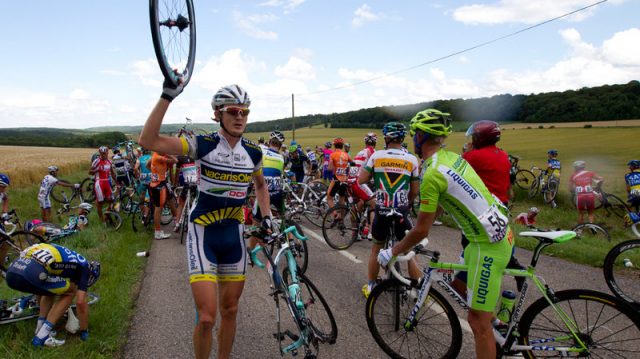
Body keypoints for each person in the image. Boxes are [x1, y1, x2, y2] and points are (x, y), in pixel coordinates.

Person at [138, 80, 272, 359]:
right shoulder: (203, 144)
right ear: (217, 114)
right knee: (208, 317)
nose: (239, 117)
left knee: (231, 310)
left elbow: (260, 185)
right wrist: (167, 96)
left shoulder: (254, 152)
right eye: (233, 111)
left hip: (233, 235)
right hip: (203, 234)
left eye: (244, 112)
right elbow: (148, 141)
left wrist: (266, 216)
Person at [377, 109, 513, 359]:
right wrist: (420, 227)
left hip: (487, 246)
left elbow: (421, 230)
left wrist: (393, 251)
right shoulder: (452, 158)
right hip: (485, 238)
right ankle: (500, 327)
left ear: (420, 136)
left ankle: (491, 329)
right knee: (458, 284)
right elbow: (441, 203)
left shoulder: (431, 174)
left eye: (414, 133)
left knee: (476, 323)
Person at [359, 122, 420, 298]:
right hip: (401, 210)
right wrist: (406, 203)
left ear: (386, 138)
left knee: (376, 249)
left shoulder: (377, 156)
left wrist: (374, 183)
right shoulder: (412, 159)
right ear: (402, 138)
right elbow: (415, 191)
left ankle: (371, 286)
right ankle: (416, 291)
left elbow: (361, 179)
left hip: (382, 210)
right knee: (409, 251)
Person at [5, 243, 100, 347]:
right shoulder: (84, 266)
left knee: (49, 289)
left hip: (12, 271)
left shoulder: (69, 257)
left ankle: (40, 327)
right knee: (70, 292)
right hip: (31, 271)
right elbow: (81, 302)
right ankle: (42, 336)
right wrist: (84, 330)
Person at [249, 131, 285, 252]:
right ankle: (289, 242)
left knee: (256, 223)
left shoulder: (261, 151)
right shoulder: (281, 158)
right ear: (280, 146)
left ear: (269, 142)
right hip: (278, 193)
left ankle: (251, 253)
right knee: (282, 217)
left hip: (264, 194)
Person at [147, 151, 178, 239]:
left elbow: (147, 165)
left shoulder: (155, 155)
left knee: (171, 200)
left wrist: (155, 173)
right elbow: (175, 160)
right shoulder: (158, 157)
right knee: (159, 208)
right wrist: (169, 154)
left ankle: (177, 221)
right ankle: (157, 232)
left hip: (163, 182)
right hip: (159, 185)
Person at [89, 146, 117, 224]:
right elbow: (90, 172)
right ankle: (102, 221)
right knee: (100, 203)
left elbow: (113, 173)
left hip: (107, 182)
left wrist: (117, 183)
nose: (103, 155)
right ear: (100, 153)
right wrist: (97, 169)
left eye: (105, 153)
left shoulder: (109, 161)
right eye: (102, 153)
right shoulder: (96, 161)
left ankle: (106, 215)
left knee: (111, 200)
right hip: (99, 183)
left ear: (107, 153)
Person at [327, 137, 350, 210]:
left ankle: (334, 214)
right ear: (342, 146)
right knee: (342, 198)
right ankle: (341, 217)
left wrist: (333, 166)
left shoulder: (332, 155)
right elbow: (353, 163)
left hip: (336, 179)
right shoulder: (346, 155)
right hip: (344, 179)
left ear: (334, 145)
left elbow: (330, 168)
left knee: (329, 198)